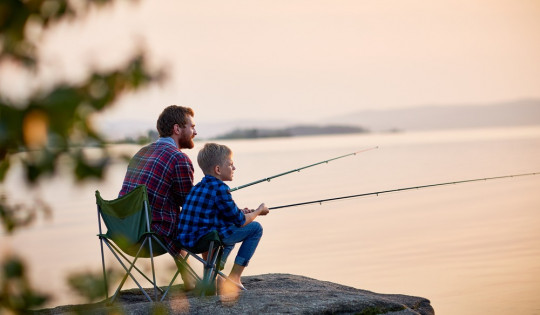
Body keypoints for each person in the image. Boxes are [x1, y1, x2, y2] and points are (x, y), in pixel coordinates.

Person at [119, 105, 197, 288]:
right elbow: (189, 205)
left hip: (123, 232)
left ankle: (190, 279)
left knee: (172, 219)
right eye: (192, 127)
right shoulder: (179, 159)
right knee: (198, 220)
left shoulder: (141, 152)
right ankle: (205, 281)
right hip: (150, 238)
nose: (195, 132)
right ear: (177, 129)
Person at [177, 143, 269, 290]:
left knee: (228, 227)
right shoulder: (220, 188)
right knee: (255, 228)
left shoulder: (198, 187)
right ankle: (234, 278)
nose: (234, 168)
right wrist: (258, 211)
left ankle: (214, 276)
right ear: (218, 169)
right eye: (231, 164)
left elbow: (217, 212)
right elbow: (240, 221)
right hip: (205, 240)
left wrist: (240, 211)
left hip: (186, 241)